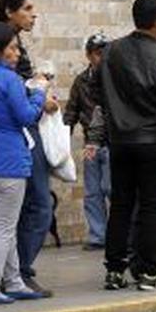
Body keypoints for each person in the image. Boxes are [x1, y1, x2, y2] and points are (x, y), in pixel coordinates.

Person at [94, 0, 156, 291]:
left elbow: (101, 94)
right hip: (155, 141)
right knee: (152, 207)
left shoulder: (111, 52)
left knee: (121, 205)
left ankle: (114, 269)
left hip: (121, 141)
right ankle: (149, 272)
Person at [0, 22, 48, 306]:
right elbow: (27, 116)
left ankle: (15, 281)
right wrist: (40, 92)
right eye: (12, 48)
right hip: (8, 163)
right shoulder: (8, 80)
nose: (17, 53)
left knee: (2, 225)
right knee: (4, 229)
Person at [0, 0, 58, 298]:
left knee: (21, 211)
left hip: (12, 138)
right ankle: (18, 273)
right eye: (27, 9)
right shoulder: (2, 46)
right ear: (10, 11)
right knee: (39, 205)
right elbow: (12, 95)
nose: (34, 15)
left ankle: (13, 274)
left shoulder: (12, 44)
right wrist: (38, 96)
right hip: (19, 136)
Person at [64, 32, 109, 251]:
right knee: (92, 192)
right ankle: (98, 235)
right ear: (89, 55)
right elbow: (71, 111)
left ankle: (121, 234)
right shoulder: (81, 81)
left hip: (111, 143)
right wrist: (63, 141)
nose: (102, 58)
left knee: (111, 188)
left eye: (105, 53)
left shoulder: (115, 79)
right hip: (90, 146)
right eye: (98, 54)